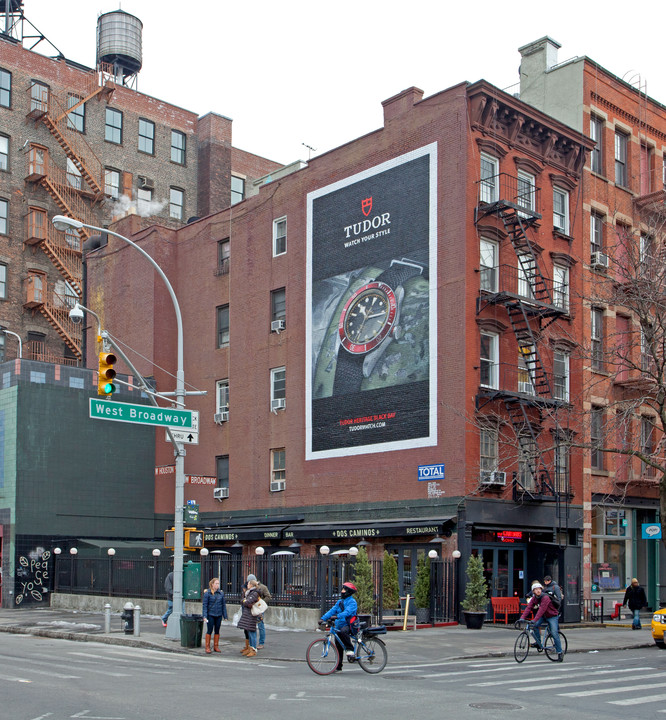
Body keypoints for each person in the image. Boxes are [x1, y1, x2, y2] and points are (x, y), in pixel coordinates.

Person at [519, 581, 563, 662]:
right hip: (544, 616)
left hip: (552, 616)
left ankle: (560, 652)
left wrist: (534, 620)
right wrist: (522, 618)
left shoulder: (545, 597)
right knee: (535, 626)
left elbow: (542, 610)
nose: (538, 591)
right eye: (536, 589)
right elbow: (529, 608)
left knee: (554, 633)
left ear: (541, 589)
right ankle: (538, 643)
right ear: (533, 592)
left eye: (539, 589)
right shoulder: (535, 598)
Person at [320, 581, 358, 672]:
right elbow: (332, 611)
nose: (342, 591)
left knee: (344, 631)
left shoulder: (352, 602)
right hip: (339, 625)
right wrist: (322, 618)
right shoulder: (340, 602)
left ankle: (350, 650)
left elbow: (347, 612)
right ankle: (338, 665)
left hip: (349, 624)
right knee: (338, 645)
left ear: (348, 591)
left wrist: (338, 616)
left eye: (344, 589)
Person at [202, 577, 228, 654]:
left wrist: (225, 615)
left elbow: (223, 605)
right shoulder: (208, 593)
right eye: (216, 583)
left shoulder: (221, 593)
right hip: (211, 614)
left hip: (219, 614)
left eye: (218, 583)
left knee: (217, 630)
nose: (217, 585)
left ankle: (216, 646)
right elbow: (205, 605)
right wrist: (205, 616)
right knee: (209, 630)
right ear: (212, 584)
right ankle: (207, 646)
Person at [246, 573, 272, 649]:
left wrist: (260, 603)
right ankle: (251, 644)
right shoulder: (249, 588)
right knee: (251, 626)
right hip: (251, 610)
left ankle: (261, 643)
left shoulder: (263, 587)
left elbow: (268, 596)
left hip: (259, 610)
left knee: (260, 625)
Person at [237, 576, 260, 657]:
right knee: (249, 632)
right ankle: (250, 648)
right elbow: (244, 600)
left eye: (249, 583)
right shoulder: (249, 592)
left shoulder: (254, 593)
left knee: (252, 632)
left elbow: (247, 602)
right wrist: (244, 601)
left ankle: (253, 649)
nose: (247, 585)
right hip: (248, 614)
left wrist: (244, 601)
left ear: (252, 585)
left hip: (252, 615)